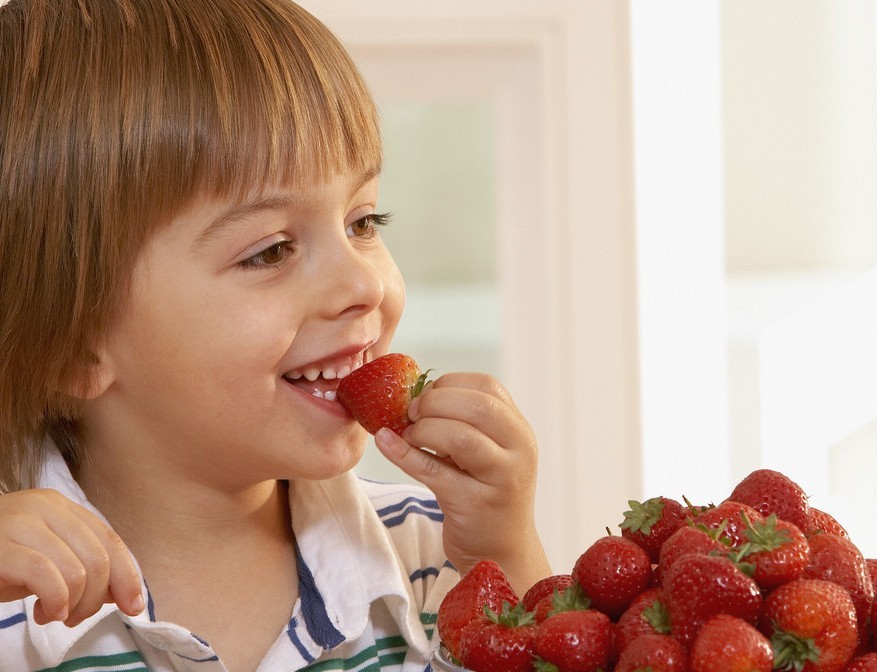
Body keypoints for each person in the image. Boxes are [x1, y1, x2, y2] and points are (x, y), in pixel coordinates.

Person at [0, 0, 551, 670]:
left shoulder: (432, 552)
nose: (362, 286)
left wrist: (508, 554)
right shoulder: (11, 599)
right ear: (73, 348)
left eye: (364, 222)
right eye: (270, 252)